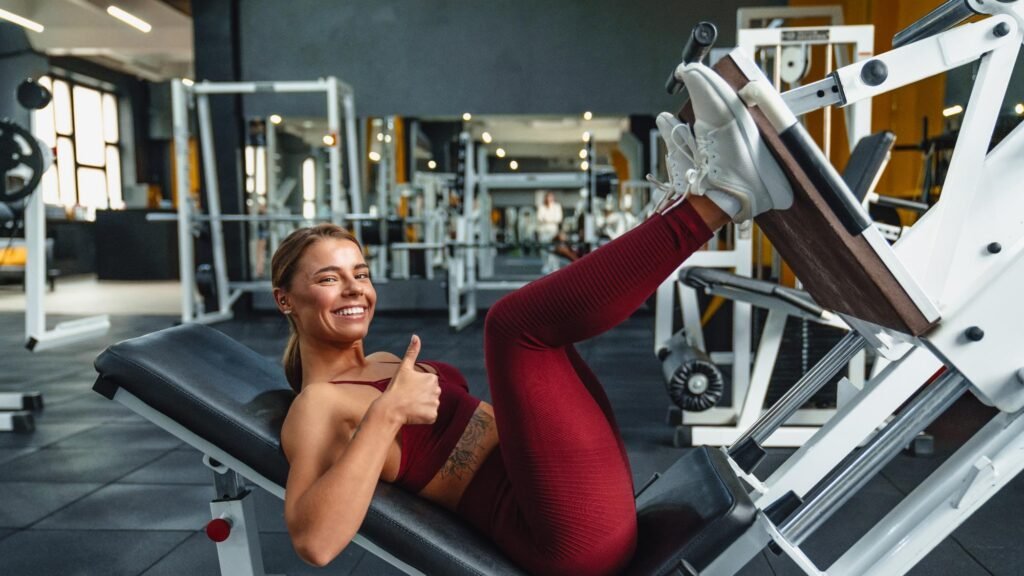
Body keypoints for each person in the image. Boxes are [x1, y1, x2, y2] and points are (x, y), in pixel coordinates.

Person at [272, 63, 793, 576]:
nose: (354, 289)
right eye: (327, 279)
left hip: (563, 492)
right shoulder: (317, 404)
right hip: (562, 537)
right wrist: (386, 415)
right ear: (285, 300)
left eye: (359, 273)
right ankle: (721, 199)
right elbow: (314, 543)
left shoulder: (383, 362)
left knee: (554, 325)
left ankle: (687, 200)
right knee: (513, 330)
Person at [536, 190, 567, 273]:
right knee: (544, 250)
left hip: (553, 232)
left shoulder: (557, 206)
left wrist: (547, 219)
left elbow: (558, 218)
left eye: (551, 197)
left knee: (554, 249)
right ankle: (546, 265)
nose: (550, 198)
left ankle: (555, 266)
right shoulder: (542, 207)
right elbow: (540, 218)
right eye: (548, 197)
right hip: (544, 232)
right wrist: (550, 219)